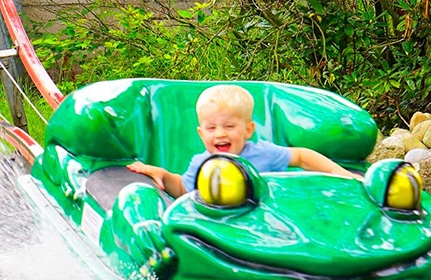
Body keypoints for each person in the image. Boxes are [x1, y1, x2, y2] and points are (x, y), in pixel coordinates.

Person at [128, 84, 353, 198]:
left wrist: (338, 172)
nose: (220, 134)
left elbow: (302, 157)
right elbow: (183, 189)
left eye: (229, 126)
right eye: (211, 128)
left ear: (248, 130)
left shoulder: (263, 153)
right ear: (200, 133)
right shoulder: (202, 163)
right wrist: (162, 175)